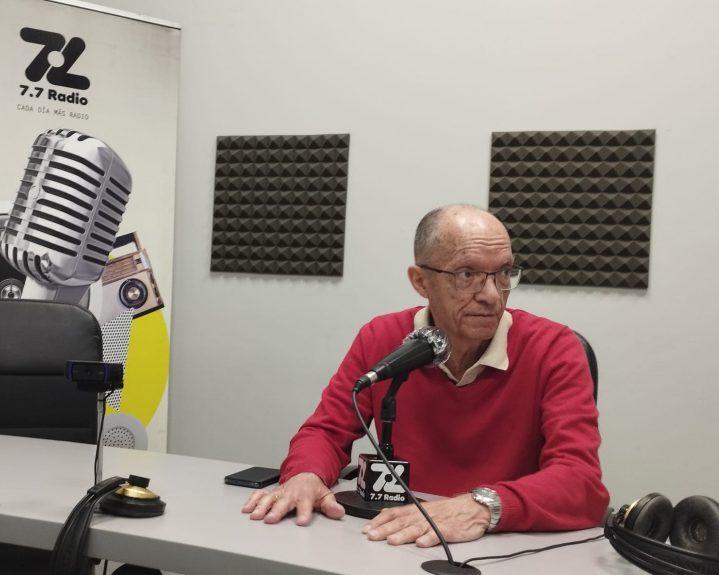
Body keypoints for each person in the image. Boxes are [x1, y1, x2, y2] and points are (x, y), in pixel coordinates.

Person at [242, 204, 609, 547]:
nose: (492, 295)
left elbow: (581, 483)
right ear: (421, 282)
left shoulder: (554, 348)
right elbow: (325, 431)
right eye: (467, 275)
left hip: (501, 545)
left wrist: (482, 507)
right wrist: (306, 474)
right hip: (394, 539)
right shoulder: (382, 337)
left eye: (503, 273)